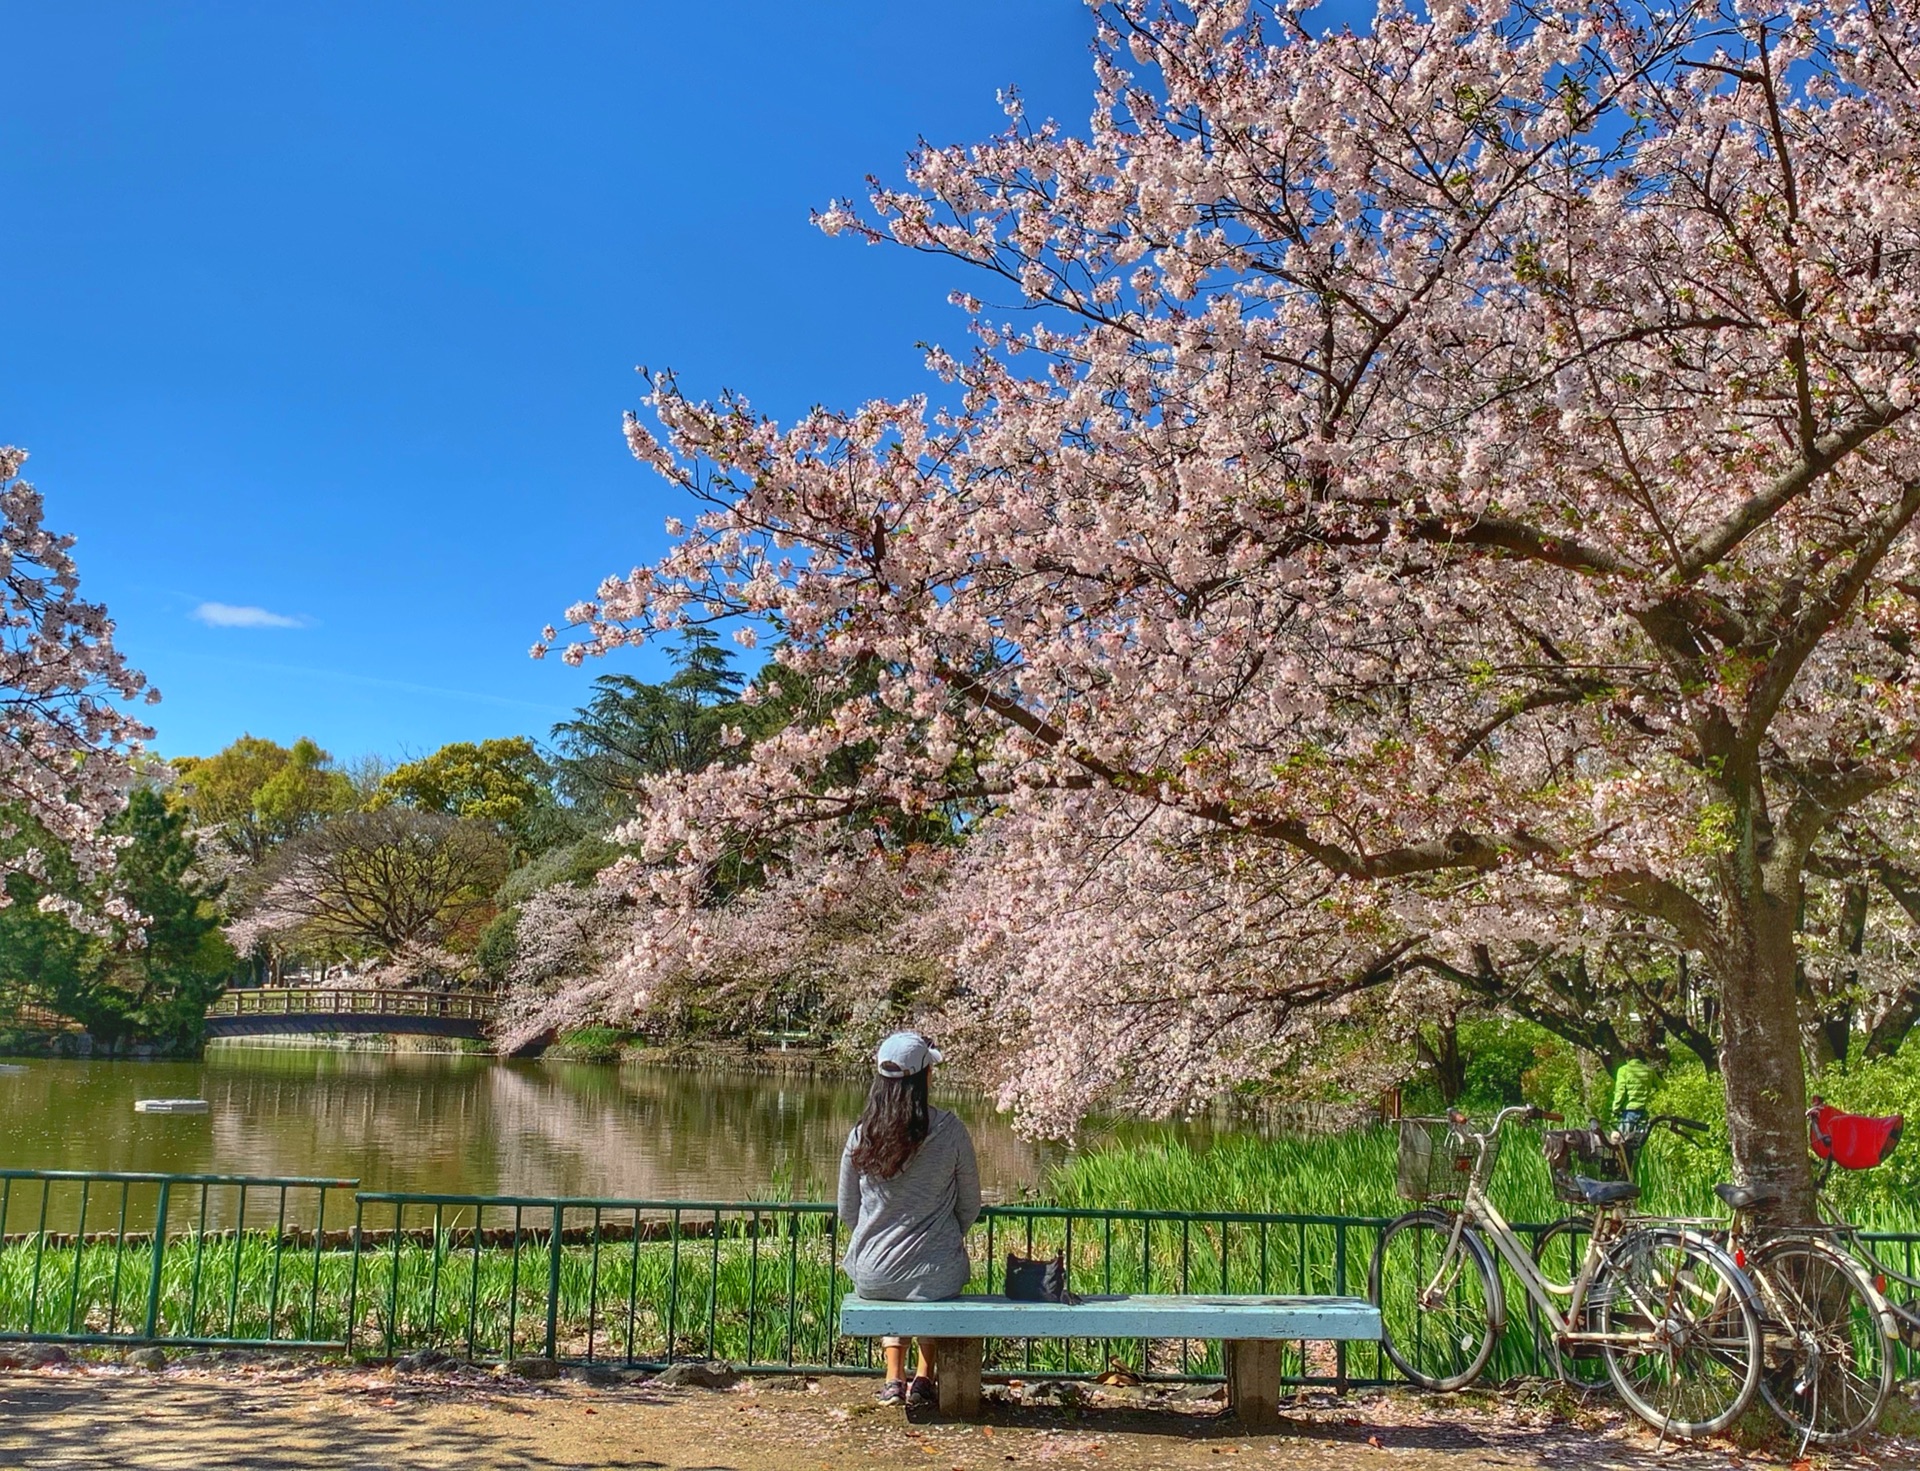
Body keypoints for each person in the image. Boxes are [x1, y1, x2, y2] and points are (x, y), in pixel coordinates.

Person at [838, 1030, 981, 1408]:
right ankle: (923, 1377)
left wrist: (874, 1242)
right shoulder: (951, 1132)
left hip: (873, 1273)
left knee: (894, 1280)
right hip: (936, 1270)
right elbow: (970, 1204)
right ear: (924, 1078)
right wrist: (943, 1236)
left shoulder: (861, 1136)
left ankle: (892, 1378)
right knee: (930, 1276)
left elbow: (847, 1209)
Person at [1611, 1055, 1661, 1140]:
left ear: (1627, 1059)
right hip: (1644, 1110)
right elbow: (1661, 1086)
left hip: (1629, 1111)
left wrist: (1615, 1108)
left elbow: (1620, 1091)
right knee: (1639, 1141)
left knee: (1622, 1141)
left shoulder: (1623, 1070)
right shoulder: (1649, 1071)